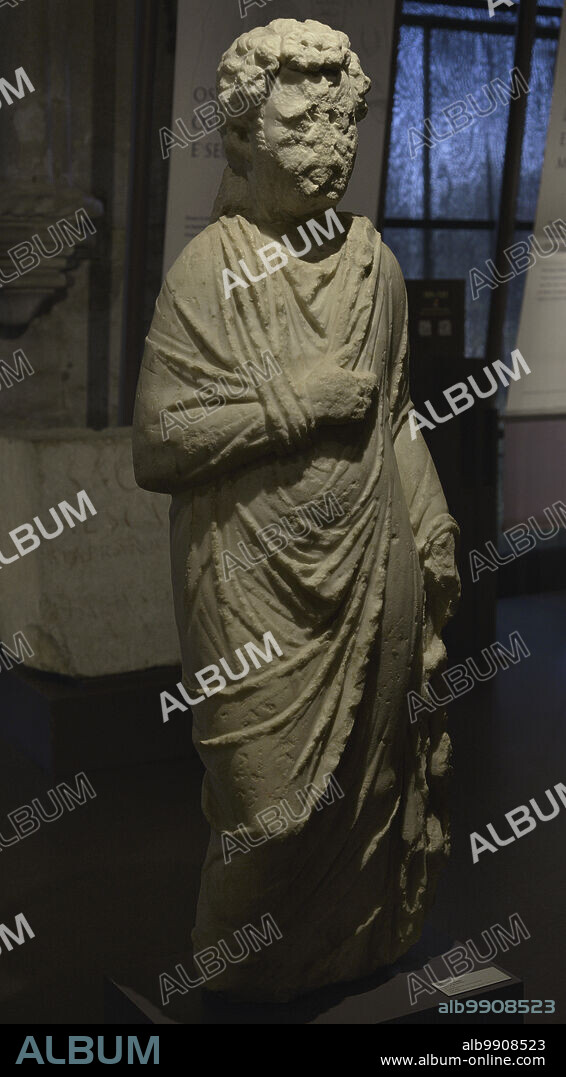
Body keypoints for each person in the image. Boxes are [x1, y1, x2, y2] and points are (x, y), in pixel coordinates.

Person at [133, 17, 460, 1003]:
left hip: (374, 558)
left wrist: (434, 527)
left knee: (371, 785)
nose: (327, 150)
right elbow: (155, 443)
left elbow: (396, 418)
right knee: (267, 814)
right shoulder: (206, 272)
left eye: (340, 128)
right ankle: (229, 985)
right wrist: (290, 405)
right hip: (249, 582)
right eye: (300, 127)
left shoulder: (376, 267)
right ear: (239, 139)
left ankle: (344, 956)